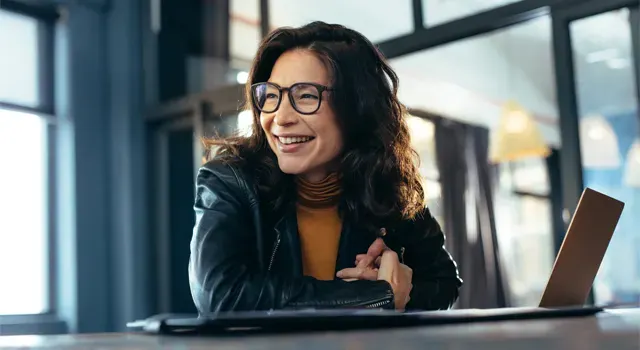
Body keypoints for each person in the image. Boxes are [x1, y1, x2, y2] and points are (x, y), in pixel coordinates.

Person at [188, 21, 462, 314]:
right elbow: (220, 294)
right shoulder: (230, 181)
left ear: (357, 107)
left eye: (305, 95)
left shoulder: (386, 185)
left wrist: (400, 286)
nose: (280, 118)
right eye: (271, 95)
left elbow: (444, 282)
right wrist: (375, 296)